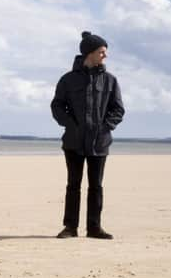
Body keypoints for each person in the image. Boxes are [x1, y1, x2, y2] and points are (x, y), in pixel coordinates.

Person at [51, 31, 125, 240]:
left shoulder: (110, 81)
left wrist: (105, 127)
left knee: (96, 186)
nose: (105, 56)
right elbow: (57, 105)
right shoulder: (68, 80)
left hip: (99, 143)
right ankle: (70, 227)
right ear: (89, 53)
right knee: (73, 185)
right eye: (102, 52)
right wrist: (71, 125)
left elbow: (117, 109)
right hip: (73, 142)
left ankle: (94, 228)